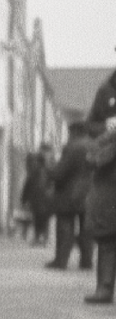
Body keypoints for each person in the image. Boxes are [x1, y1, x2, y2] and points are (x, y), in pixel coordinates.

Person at [84, 68, 116, 304]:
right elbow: (90, 125)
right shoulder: (106, 91)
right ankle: (104, 288)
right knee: (108, 233)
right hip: (110, 173)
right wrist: (107, 126)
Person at [45, 122, 95, 270]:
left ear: (74, 131)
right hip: (90, 194)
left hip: (70, 195)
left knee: (65, 226)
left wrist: (49, 165)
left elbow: (59, 173)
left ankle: (61, 261)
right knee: (87, 229)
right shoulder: (94, 145)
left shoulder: (73, 147)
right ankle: (86, 262)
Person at [19, 145, 54, 246]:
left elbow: (27, 186)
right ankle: (45, 239)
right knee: (45, 219)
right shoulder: (49, 171)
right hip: (47, 200)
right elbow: (52, 185)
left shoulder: (33, 173)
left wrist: (23, 199)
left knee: (37, 219)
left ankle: (38, 238)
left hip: (36, 200)